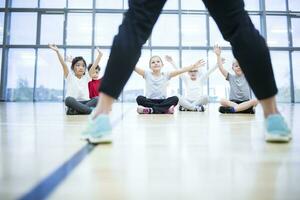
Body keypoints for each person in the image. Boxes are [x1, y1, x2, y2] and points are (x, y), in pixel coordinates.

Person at [82, 0, 291, 144]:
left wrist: (191, 66)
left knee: (134, 25)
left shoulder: (170, 73)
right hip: (157, 100)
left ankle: (101, 116)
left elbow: (180, 71)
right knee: (239, 25)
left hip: (172, 99)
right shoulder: (150, 73)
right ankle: (273, 117)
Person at [49, 44, 102, 115]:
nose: (81, 67)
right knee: (68, 100)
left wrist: (100, 55)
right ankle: (90, 111)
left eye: (83, 66)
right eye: (78, 65)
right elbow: (63, 64)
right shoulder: (70, 76)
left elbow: (94, 65)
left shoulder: (87, 77)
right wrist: (58, 52)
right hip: (74, 102)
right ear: (73, 68)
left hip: (86, 102)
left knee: (97, 99)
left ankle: (75, 111)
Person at [214, 45, 258, 114]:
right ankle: (244, 109)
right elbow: (221, 68)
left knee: (255, 101)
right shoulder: (230, 77)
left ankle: (234, 110)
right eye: (236, 66)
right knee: (222, 100)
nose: (239, 67)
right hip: (233, 102)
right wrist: (218, 56)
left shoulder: (248, 76)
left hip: (245, 101)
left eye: (241, 65)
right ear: (233, 68)